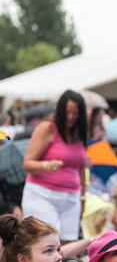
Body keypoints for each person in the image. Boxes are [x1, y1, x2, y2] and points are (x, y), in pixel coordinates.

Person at [21, 89, 87, 244]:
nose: (70, 117)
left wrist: (83, 198)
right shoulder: (47, 128)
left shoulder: (79, 133)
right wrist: (46, 165)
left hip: (71, 198)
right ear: (60, 111)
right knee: (48, 243)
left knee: (67, 246)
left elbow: (82, 168)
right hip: (42, 195)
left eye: (75, 114)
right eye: (67, 112)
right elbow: (27, 163)